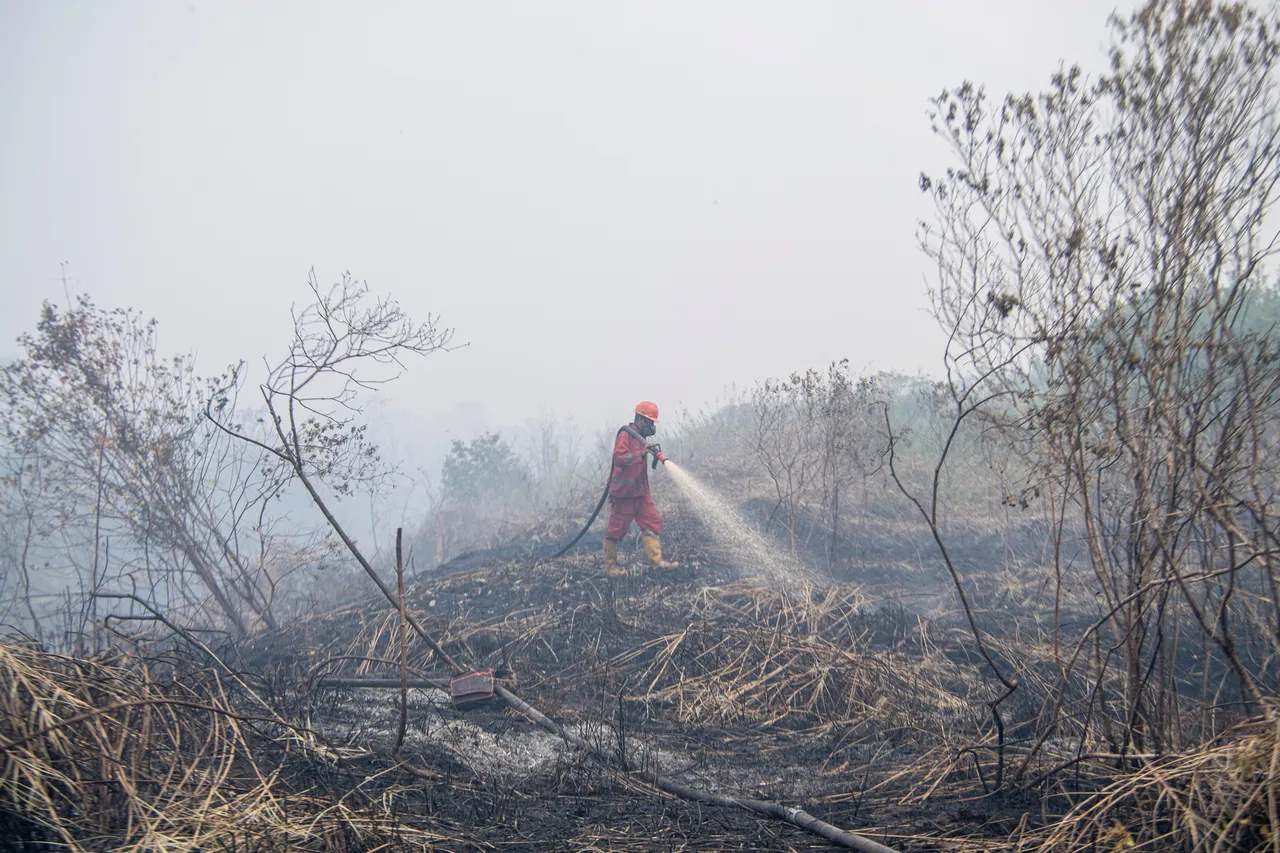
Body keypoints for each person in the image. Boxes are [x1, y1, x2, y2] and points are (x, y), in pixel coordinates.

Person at [602, 401, 678, 577]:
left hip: (641, 493)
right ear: (641, 419)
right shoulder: (625, 435)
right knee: (616, 530)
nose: (652, 426)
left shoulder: (639, 438)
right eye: (650, 422)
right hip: (624, 494)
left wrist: (645, 451)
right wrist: (641, 453)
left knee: (653, 523)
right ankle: (611, 567)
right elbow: (620, 459)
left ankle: (657, 562)